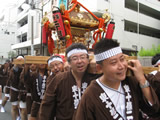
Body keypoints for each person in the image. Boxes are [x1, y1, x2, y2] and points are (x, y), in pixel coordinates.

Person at [74, 39, 159, 120]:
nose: (121, 66)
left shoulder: (130, 82)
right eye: (113, 62)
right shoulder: (91, 94)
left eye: (122, 59)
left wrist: (142, 79)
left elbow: (153, 109)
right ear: (99, 68)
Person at [39, 43, 101, 120]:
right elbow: (47, 106)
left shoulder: (96, 78)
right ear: (69, 63)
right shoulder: (59, 79)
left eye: (83, 57)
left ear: (88, 60)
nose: (79, 61)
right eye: (74, 58)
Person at [9, 55, 24, 120]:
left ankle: (20, 117)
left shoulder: (25, 69)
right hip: (14, 89)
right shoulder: (13, 69)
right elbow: (11, 79)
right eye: (18, 60)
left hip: (23, 91)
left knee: (22, 108)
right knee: (14, 107)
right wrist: (15, 66)